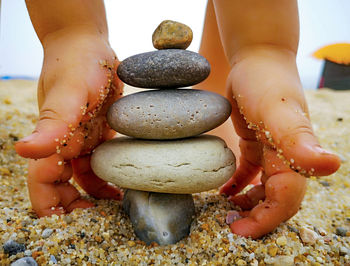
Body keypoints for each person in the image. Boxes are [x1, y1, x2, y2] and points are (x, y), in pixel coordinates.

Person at [15, 0, 340, 239]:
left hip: (190, 117)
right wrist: (69, 34)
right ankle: (216, 85)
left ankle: (220, 79)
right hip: (179, 124)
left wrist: (263, 49)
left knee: (236, 65)